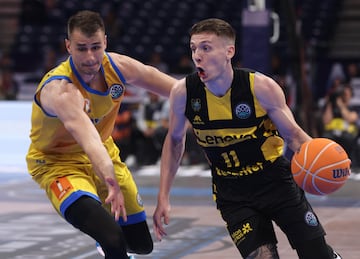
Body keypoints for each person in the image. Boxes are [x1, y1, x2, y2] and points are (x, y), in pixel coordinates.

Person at [153, 18, 342, 259]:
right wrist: (163, 197)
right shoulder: (183, 92)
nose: (197, 56)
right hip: (231, 191)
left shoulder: (260, 87)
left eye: (206, 48)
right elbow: (175, 141)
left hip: (275, 181)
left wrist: (325, 161)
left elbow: (294, 136)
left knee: (317, 255)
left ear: (229, 51)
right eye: (193, 48)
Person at [25, 10, 176, 259]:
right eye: (81, 48)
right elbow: (88, 138)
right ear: (68, 46)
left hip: (105, 152)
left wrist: (209, 96)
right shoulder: (61, 90)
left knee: (141, 245)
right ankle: (104, 240)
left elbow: (173, 87)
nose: (90, 57)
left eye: (96, 47)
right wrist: (110, 181)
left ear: (105, 41)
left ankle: (106, 239)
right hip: (58, 164)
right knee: (112, 239)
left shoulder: (117, 67)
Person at [322, 84, 359, 165]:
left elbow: (349, 118)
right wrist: (330, 103)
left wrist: (341, 104)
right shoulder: (332, 106)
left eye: (345, 93)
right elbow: (326, 121)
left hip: (348, 135)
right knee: (326, 139)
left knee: (348, 139)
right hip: (332, 134)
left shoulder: (353, 106)